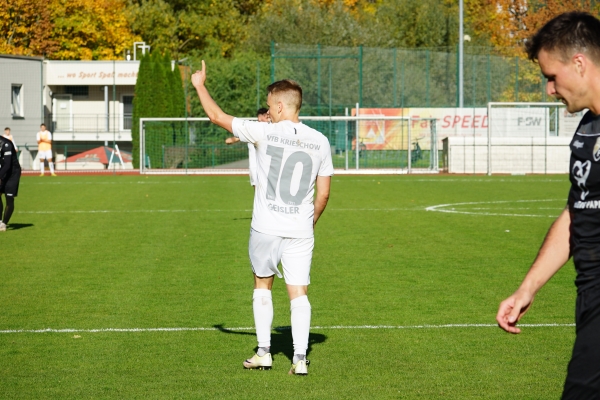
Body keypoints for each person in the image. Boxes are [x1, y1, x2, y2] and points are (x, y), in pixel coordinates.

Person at [192, 61, 333, 376]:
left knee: (262, 286)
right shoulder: (320, 141)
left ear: (281, 106)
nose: (268, 112)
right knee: (299, 292)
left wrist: (200, 85)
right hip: (300, 229)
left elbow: (216, 116)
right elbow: (323, 195)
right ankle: (299, 359)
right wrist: (308, 223)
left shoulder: (263, 132)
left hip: (266, 226)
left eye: (270, 106)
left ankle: (264, 352)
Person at [496, 11, 600, 398]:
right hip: (589, 297)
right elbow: (578, 211)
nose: (550, 90)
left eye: (551, 78)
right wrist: (528, 289)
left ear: (579, 63)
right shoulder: (587, 130)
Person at [225, 108, 270, 188]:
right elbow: (231, 140)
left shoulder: (270, 129)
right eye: (266, 116)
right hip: (255, 168)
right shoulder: (252, 129)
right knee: (258, 194)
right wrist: (233, 139)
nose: (268, 118)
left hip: (266, 167)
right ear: (259, 117)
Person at [0, 134, 22, 231]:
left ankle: (4, 223)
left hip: (13, 173)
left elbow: (8, 164)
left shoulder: (6, 144)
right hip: (2, 171)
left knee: (9, 198)